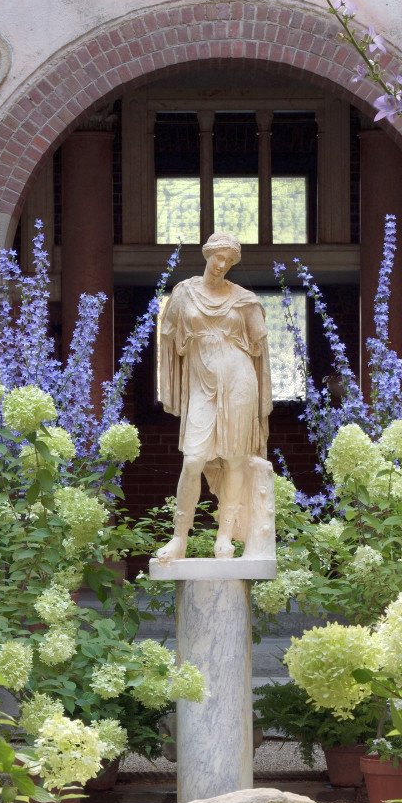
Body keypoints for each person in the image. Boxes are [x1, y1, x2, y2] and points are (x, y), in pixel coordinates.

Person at [154, 232, 273, 561]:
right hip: (202, 383)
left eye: (228, 260)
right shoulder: (185, 292)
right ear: (207, 254)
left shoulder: (244, 299)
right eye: (217, 256)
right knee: (193, 459)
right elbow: (168, 334)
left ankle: (225, 537)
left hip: (238, 380)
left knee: (235, 459)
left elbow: (260, 347)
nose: (221, 264)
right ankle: (179, 538)